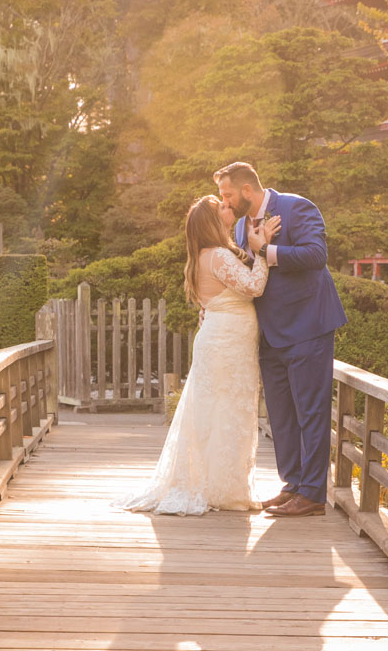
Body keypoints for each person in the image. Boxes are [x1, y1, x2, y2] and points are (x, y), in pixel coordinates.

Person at [121, 194, 281, 515]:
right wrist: (263, 251)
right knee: (228, 410)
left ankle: (219, 484)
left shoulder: (203, 257)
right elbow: (253, 287)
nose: (228, 208)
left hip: (223, 339)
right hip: (227, 343)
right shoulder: (218, 256)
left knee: (217, 411)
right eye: (221, 207)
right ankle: (222, 488)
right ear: (212, 221)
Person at [214, 162, 347, 518]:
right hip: (269, 333)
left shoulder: (296, 207)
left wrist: (267, 251)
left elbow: (316, 256)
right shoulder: (241, 225)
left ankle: (313, 494)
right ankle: (293, 485)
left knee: (311, 412)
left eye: (227, 194)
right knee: (282, 415)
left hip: (308, 327)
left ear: (245, 190)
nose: (223, 200)